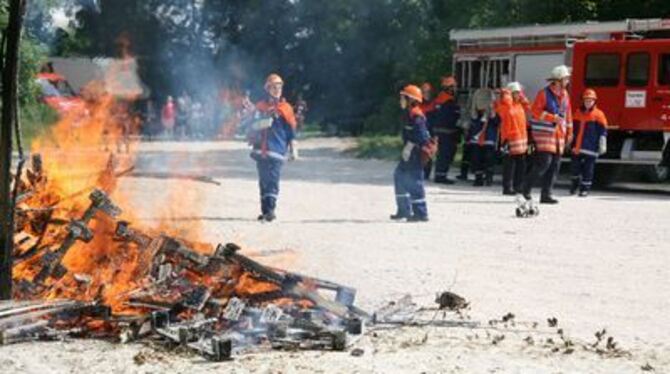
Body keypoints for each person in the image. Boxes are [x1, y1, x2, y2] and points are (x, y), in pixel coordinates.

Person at [246, 73, 298, 222]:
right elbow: (252, 127)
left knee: (273, 181)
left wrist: (293, 149)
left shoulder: (286, 108)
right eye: (274, 87)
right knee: (263, 181)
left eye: (279, 86)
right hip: (261, 151)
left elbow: (291, 131)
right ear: (268, 89)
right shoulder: (260, 107)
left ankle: (271, 210)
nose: (277, 89)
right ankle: (265, 211)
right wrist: (263, 122)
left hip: (277, 151)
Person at [523, 65, 573, 204]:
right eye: (566, 78)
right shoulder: (543, 93)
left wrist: (570, 132)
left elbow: (568, 114)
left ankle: (546, 195)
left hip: (559, 136)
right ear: (558, 80)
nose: (568, 81)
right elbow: (535, 111)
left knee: (554, 166)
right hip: (545, 136)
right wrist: (552, 118)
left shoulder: (565, 95)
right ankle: (525, 189)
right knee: (544, 164)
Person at [391, 85, 431, 222]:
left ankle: (421, 213)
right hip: (409, 152)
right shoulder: (409, 113)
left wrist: (410, 146)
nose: (401, 100)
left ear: (411, 100)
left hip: (415, 152)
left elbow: (422, 137)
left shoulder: (416, 115)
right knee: (399, 177)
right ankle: (404, 210)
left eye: (404, 97)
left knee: (414, 181)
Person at [570, 88, 608, 197]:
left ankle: (584, 189)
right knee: (575, 169)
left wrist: (602, 143)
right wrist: (569, 141)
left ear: (594, 101)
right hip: (577, 147)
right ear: (583, 101)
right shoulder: (577, 113)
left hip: (591, 148)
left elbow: (603, 131)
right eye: (586, 100)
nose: (588, 102)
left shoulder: (599, 114)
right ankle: (574, 186)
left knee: (588, 170)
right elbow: (573, 129)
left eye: (590, 100)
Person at [498, 82, 530, 195]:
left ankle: (518, 186)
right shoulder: (505, 105)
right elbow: (507, 109)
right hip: (509, 139)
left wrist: (523, 97)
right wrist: (507, 95)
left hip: (521, 140)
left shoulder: (519, 105)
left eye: (519, 93)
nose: (518, 95)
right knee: (509, 166)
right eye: (516, 93)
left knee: (521, 164)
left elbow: (528, 106)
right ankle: (507, 187)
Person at [432, 76, 461, 184]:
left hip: (440, 131)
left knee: (442, 155)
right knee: (446, 154)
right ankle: (441, 176)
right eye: (453, 87)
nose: (455, 89)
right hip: (447, 132)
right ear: (449, 88)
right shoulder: (448, 101)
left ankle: (440, 175)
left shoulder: (440, 98)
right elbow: (452, 117)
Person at [468, 88, 498, 186]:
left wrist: (492, 114)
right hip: (476, 141)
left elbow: (497, 123)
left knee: (489, 159)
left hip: (489, 140)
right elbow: (472, 125)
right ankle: (478, 178)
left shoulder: (494, 113)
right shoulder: (475, 114)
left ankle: (488, 177)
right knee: (476, 159)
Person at [419, 82, 438, 180]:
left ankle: (426, 174)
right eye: (424, 92)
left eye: (428, 92)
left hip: (430, 131)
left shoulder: (434, 104)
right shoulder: (417, 104)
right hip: (419, 131)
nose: (427, 94)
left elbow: (436, 119)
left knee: (429, 153)